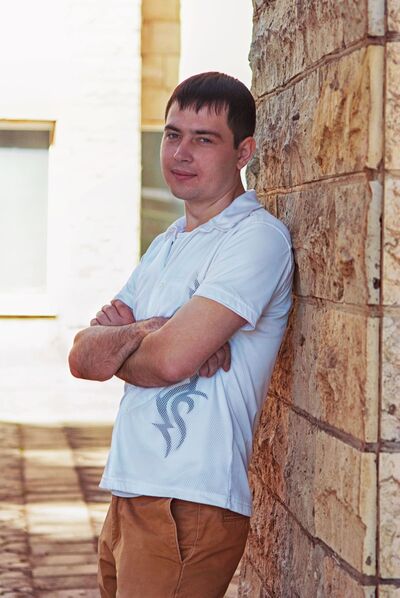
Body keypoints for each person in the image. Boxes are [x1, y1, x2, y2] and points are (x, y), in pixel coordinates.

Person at [68, 71, 294, 598]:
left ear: (243, 152)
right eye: (173, 134)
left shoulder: (255, 239)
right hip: (131, 493)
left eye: (204, 139)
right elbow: (82, 357)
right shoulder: (167, 243)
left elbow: (169, 362)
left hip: (187, 503)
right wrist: (155, 328)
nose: (181, 152)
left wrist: (135, 343)